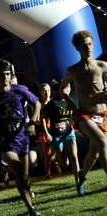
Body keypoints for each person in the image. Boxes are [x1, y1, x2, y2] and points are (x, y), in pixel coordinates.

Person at [0, 59, 41, 216]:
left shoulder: (20, 90)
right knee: (17, 169)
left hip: (22, 138)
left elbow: (37, 104)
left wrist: (31, 123)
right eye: (2, 75)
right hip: (5, 142)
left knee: (25, 176)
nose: (5, 78)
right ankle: (31, 209)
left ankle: (28, 197)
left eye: (8, 74)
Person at [60, 30, 107, 196]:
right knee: (103, 143)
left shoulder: (103, 66)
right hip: (84, 115)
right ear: (77, 48)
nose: (88, 47)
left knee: (93, 153)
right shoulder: (72, 70)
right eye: (84, 45)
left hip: (103, 116)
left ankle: (82, 175)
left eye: (90, 44)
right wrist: (67, 99)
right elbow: (62, 86)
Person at [41, 81, 80, 187]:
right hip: (57, 136)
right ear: (60, 89)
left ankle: (79, 183)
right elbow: (43, 117)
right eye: (65, 87)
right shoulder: (53, 103)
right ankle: (57, 158)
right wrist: (47, 133)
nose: (67, 89)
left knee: (74, 157)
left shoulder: (71, 102)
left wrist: (78, 124)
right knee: (65, 163)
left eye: (69, 87)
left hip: (68, 133)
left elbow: (76, 116)